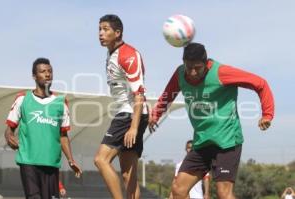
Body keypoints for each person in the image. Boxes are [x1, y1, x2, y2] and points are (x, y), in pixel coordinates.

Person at [149, 43, 274, 199]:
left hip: (227, 141)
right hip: (202, 142)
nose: (193, 72)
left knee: (224, 193)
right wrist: (156, 114)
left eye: (198, 68)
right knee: (178, 190)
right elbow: (168, 94)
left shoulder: (221, 73)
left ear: (206, 64)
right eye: (189, 67)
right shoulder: (180, 74)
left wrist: (267, 114)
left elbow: (260, 83)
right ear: (183, 63)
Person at [5, 58, 82, 199]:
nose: (47, 74)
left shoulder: (61, 103)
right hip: (28, 161)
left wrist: (71, 160)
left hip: (51, 163)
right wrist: (9, 137)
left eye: (50, 71)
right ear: (34, 76)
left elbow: (63, 136)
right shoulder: (22, 99)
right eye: (43, 71)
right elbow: (10, 128)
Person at [94, 14, 148, 199]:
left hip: (130, 113)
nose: (101, 33)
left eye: (105, 29)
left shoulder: (128, 54)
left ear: (118, 33)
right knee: (128, 175)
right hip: (128, 113)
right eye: (99, 29)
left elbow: (139, 94)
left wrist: (133, 126)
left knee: (101, 159)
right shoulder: (111, 53)